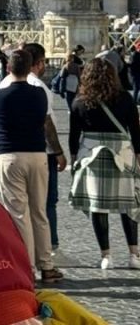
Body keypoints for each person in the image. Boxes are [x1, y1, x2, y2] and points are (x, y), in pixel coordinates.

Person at [0, 50, 64, 284]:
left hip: (9, 154)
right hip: (37, 154)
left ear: (8, 69)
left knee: (18, 214)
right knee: (40, 212)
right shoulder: (40, 93)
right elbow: (46, 123)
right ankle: (47, 266)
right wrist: (58, 152)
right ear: (31, 67)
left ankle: (26, 268)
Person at [68, 58, 140, 270]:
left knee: (98, 207)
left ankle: (106, 255)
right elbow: (135, 131)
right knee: (128, 205)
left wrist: (74, 157)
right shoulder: (125, 98)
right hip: (121, 154)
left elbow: (74, 134)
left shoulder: (80, 101)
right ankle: (134, 253)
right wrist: (138, 155)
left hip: (91, 154)